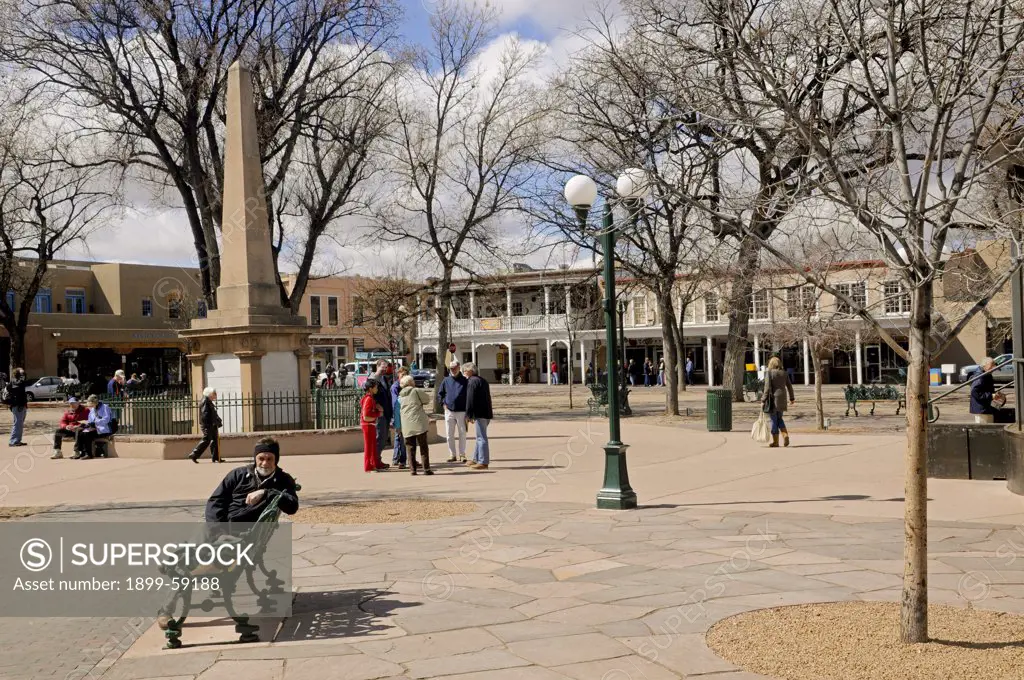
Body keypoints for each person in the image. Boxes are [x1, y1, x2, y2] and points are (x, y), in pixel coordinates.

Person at [204, 437, 299, 522]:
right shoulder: (238, 474)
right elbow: (216, 501)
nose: (265, 463)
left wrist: (266, 493)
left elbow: (292, 507)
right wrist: (218, 531)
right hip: (223, 527)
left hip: (245, 532)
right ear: (255, 459)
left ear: (276, 460)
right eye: (261, 459)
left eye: (269, 459)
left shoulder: (283, 479)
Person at [398, 374, 433, 475]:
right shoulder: (416, 390)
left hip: (406, 423)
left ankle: (412, 470)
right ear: (410, 382)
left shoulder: (400, 394)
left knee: (410, 448)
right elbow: (427, 399)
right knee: (423, 447)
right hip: (418, 423)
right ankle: (426, 469)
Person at [436, 360, 469, 463]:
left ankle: (462, 454)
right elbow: (440, 394)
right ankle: (452, 454)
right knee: (449, 434)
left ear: (459, 367)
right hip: (449, 411)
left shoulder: (465, 381)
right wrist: (443, 404)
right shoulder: (446, 380)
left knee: (462, 433)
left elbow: (470, 395)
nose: (453, 370)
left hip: (462, 411)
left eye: (455, 368)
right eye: (451, 369)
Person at [463, 362, 493, 470]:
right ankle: (476, 458)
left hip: (480, 413)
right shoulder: (483, 380)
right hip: (486, 412)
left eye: (465, 371)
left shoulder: (472, 381)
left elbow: (470, 399)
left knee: (481, 437)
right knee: (479, 437)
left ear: (470, 371)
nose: (464, 373)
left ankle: (483, 461)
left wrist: (468, 415)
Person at [762, 356, 795, 447]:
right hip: (783, 398)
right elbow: (789, 386)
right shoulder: (784, 373)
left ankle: (776, 441)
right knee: (779, 418)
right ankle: (785, 435)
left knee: (773, 420)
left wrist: (763, 400)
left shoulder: (769, 373)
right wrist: (792, 398)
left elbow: (767, 388)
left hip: (773, 399)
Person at [72, 394, 115, 459]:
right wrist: (86, 423)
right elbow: (90, 419)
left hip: (103, 429)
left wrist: (95, 422)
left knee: (86, 434)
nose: (91, 406)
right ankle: (80, 452)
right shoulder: (93, 409)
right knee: (80, 431)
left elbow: (106, 419)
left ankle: (88, 454)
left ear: (95, 402)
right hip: (94, 427)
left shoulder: (105, 407)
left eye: (92, 404)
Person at [189, 387, 223, 463]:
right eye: (214, 394)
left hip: (212, 424)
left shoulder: (208, 401)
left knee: (215, 440)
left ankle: (216, 457)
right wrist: (211, 423)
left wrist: (217, 420)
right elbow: (205, 414)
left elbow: (212, 413)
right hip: (208, 425)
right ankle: (194, 454)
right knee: (206, 440)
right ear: (210, 394)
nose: (216, 395)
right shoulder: (205, 401)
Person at [360, 378, 385, 472]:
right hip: (368, 425)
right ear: (370, 388)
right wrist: (378, 414)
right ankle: (368, 466)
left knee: (372, 446)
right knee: (369, 446)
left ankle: (372, 465)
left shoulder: (370, 398)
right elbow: (366, 416)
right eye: (375, 387)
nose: (377, 389)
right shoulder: (369, 399)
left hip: (370, 425)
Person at [970, 357, 1004, 424]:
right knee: (984, 429)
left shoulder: (986, 374)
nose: (993, 368)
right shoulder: (981, 376)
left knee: (988, 427)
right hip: (982, 409)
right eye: (991, 365)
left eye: (994, 365)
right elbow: (975, 392)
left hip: (985, 407)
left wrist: (995, 395)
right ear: (984, 365)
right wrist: (991, 395)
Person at [372, 360, 393, 467]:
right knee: (379, 437)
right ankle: (375, 461)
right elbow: (368, 395)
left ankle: (377, 459)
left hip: (387, 413)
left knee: (384, 438)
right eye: (382, 367)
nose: (385, 369)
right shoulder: (373, 378)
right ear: (377, 366)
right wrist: (376, 405)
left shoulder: (384, 378)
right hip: (379, 414)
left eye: (386, 367)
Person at [391, 367, 409, 468]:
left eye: (405, 375)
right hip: (398, 414)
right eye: (402, 375)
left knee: (399, 437)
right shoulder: (395, 387)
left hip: (404, 414)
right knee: (401, 437)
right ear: (398, 375)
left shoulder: (406, 386)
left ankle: (396, 458)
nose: (403, 377)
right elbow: (395, 403)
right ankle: (401, 460)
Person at [4, 368, 28, 447]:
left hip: (22, 405)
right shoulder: (15, 382)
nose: (23, 375)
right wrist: (21, 381)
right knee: (17, 423)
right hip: (17, 406)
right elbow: (17, 390)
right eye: (22, 373)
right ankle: (13, 441)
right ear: (18, 374)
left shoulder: (20, 382)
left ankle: (17, 440)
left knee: (19, 423)